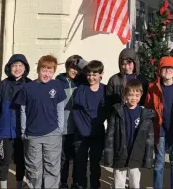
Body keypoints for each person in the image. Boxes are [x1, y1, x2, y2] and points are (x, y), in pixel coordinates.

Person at [14, 55, 67, 189]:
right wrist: (23, 131)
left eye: (50, 71)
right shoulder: (28, 88)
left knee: (52, 167)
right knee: (33, 168)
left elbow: (60, 109)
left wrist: (60, 129)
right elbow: (23, 111)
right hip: (32, 135)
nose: (47, 74)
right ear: (38, 70)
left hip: (53, 133)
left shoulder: (57, 86)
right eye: (44, 70)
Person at [144, 56, 173, 189]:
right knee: (159, 163)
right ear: (159, 70)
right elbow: (148, 107)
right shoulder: (153, 87)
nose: (167, 71)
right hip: (160, 129)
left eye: (170, 68)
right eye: (164, 68)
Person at [104, 79, 156, 189]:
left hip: (136, 154)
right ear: (125, 94)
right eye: (131, 95)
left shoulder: (145, 114)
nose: (134, 98)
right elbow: (110, 135)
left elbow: (149, 139)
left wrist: (148, 158)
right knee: (119, 182)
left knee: (135, 183)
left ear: (141, 95)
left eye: (137, 95)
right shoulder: (117, 112)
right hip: (120, 153)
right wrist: (108, 155)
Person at [0, 54, 31, 189]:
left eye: (20, 66)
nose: (17, 69)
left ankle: (19, 185)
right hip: (5, 132)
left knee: (21, 161)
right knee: (4, 161)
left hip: (23, 132)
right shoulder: (2, 85)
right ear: (9, 68)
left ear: (25, 68)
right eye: (14, 66)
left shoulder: (30, 85)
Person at [71, 60, 108, 189]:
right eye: (89, 74)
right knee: (80, 164)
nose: (91, 77)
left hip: (97, 132)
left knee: (95, 164)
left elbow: (106, 111)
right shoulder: (81, 89)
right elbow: (75, 111)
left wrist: (98, 124)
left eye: (94, 74)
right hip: (81, 133)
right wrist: (82, 128)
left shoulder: (105, 90)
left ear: (101, 74)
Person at [56, 55, 87, 189]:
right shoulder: (58, 81)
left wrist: (82, 66)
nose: (75, 71)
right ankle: (62, 183)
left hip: (77, 128)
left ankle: (76, 183)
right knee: (63, 159)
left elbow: (89, 69)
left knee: (77, 159)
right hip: (63, 127)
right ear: (67, 67)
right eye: (72, 67)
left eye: (77, 68)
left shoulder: (82, 82)